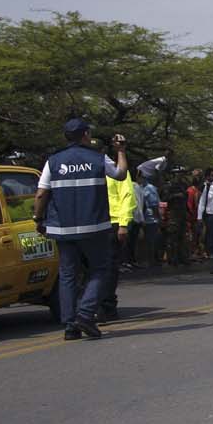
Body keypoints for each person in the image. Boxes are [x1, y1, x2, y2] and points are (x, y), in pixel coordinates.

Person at [33, 119, 127, 341]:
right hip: (94, 228)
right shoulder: (97, 157)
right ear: (85, 134)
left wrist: (38, 218)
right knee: (100, 270)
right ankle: (85, 314)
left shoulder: (53, 161)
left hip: (63, 229)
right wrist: (121, 150)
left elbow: (41, 194)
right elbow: (121, 174)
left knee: (68, 274)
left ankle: (70, 325)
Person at [102, 155, 137, 321]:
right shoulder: (85, 170)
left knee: (108, 267)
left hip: (113, 223)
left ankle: (107, 307)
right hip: (91, 224)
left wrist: (123, 224)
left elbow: (127, 196)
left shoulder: (116, 171)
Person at [162, 172, 192, 266]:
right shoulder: (169, 186)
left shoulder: (183, 185)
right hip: (173, 214)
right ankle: (172, 258)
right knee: (172, 237)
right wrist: (175, 196)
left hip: (182, 213)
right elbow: (164, 198)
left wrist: (187, 212)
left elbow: (186, 199)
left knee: (182, 237)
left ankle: (182, 257)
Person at [137, 171, 162, 268]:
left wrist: (158, 217)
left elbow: (154, 205)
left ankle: (151, 261)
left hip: (151, 218)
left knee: (151, 241)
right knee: (149, 241)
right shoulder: (142, 187)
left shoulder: (149, 188)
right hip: (147, 219)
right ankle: (149, 260)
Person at [187, 168, 205, 259]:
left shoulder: (198, 191)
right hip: (192, 219)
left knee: (198, 237)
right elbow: (190, 206)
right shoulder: (191, 191)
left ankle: (197, 253)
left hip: (197, 218)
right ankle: (192, 254)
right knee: (193, 237)